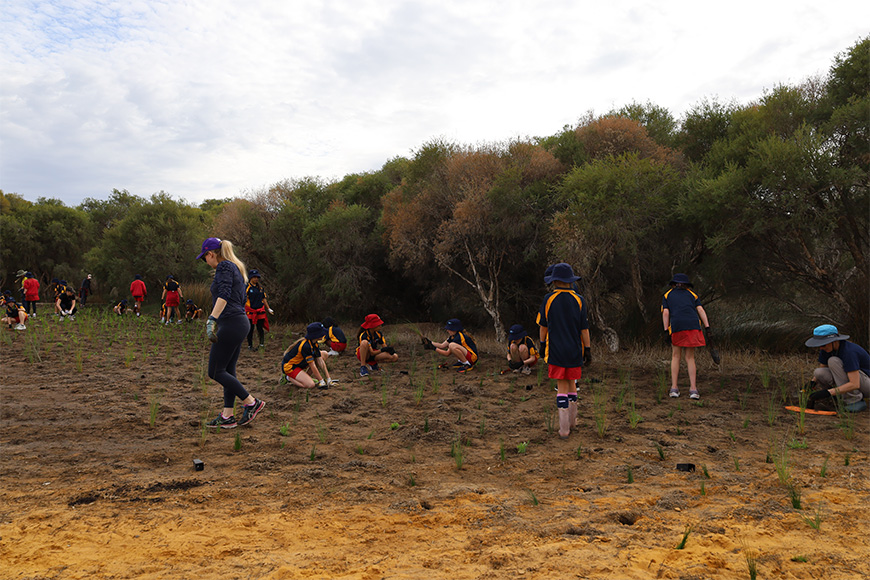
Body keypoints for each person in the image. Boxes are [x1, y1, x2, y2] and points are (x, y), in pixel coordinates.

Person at [197, 237, 266, 429]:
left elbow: (224, 295)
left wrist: (212, 319)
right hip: (238, 322)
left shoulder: (224, 267)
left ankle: (251, 403)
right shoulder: (235, 267)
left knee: (215, 371)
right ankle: (227, 415)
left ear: (211, 254)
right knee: (227, 370)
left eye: (205, 258)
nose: (207, 263)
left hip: (232, 322)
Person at [538, 263, 591, 439]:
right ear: (570, 280)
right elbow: (584, 329)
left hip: (556, 350)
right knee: (572, 384)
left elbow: (543, 326)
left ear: (555, 281)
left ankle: (563, 430)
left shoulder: (549, 299)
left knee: (561, 386)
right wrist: (588, 349)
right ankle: (573, 422)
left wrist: (542, 343)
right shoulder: (579, 300)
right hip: (575, 350)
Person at [662, 273, 711, 400]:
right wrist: (707, 327)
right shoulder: (692, 294)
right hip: (693, 324)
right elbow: (700, 310)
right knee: (690, 357)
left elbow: (666, 313)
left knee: (675, 356)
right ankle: (693, 390)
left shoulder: (668, 295)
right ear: (687, 285)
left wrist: (666, 330)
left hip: (677, 325)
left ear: (674, 284)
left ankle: (674, 388)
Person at [805, 325, 870, 412]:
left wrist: (828, 392)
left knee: (833, 361)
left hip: (866, 384)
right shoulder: (826, 350)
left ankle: (854, 401)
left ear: (834, 341)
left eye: (823, 344)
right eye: (819, 345)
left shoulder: (849, 352)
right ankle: (838, 397)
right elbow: (822, 369)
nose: (821, 348)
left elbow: (855, 384)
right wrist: (812, 383)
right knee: (819, 372)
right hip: (855, 381)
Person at [281, 322, 338, 389]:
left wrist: (329, 379)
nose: (324, 334)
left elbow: (320, 360)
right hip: (290, 367)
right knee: (310, 385)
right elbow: (312, 365)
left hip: (301, 363)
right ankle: (288, 378)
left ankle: (305, 377)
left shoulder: (315, 343)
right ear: (316, 335)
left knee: (324, 354)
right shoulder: (306, 346)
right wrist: (321, 381)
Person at [244, 269, 273, 350]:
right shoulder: (247, 287)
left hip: (260, 310)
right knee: (250, 328)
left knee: (260, 328)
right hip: (250, 311)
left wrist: (268, 308)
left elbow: (264, 299)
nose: (256, 279)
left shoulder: (260, 288)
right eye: (254, 277)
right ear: (250, 278)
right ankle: (250, 345)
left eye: (257, 277)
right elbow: (244, 299)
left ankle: (261, 344)